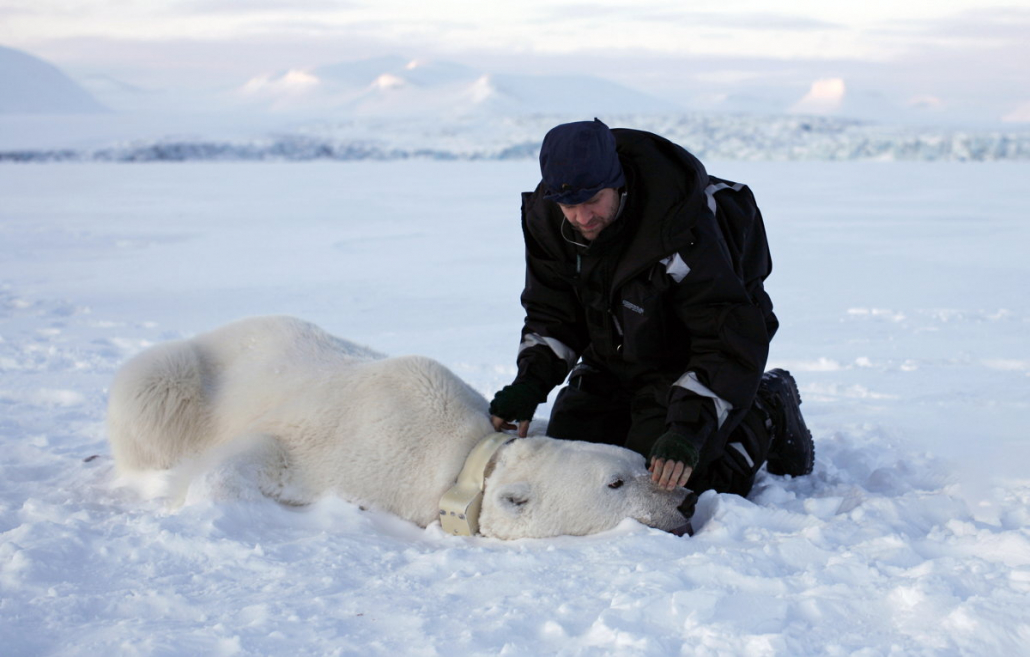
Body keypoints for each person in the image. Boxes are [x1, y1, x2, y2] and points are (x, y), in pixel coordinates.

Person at [489, 119, 814, 500]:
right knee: (572, 468)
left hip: (689, 364)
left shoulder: (680, 224)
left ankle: (766, 409)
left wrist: (688, 429)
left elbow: (724, 336)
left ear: (619, 182)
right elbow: (553, 312)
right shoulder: (549, 223)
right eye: (569, 205)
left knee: (670, 486)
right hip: (613, 359)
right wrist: (530, 382)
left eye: (593, 199)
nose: (582, 217)